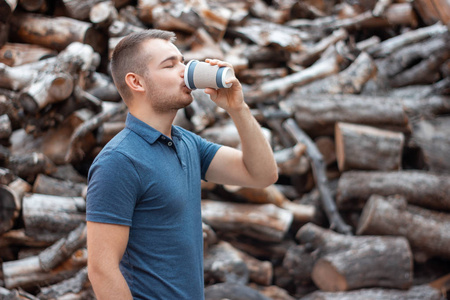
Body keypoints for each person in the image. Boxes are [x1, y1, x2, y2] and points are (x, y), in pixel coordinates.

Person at [86, 29, 278, 300]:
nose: (184, 70)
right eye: (170, 64)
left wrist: (238, 108)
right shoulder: (118, 162)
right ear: (136, 82)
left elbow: (262, 174)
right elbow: (101, 269)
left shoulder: (187, 143)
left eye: (182, 61)